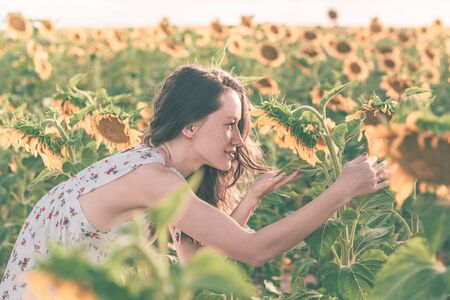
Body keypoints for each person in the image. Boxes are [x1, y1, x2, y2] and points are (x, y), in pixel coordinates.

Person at [0, 64, 388, 299]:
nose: (238, 140)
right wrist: (342, 190)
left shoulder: (158, 175)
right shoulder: (151, 179)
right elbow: (254, 251)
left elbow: (195, 262)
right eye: (230, 125)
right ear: (189, 125)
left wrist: (249, 198)